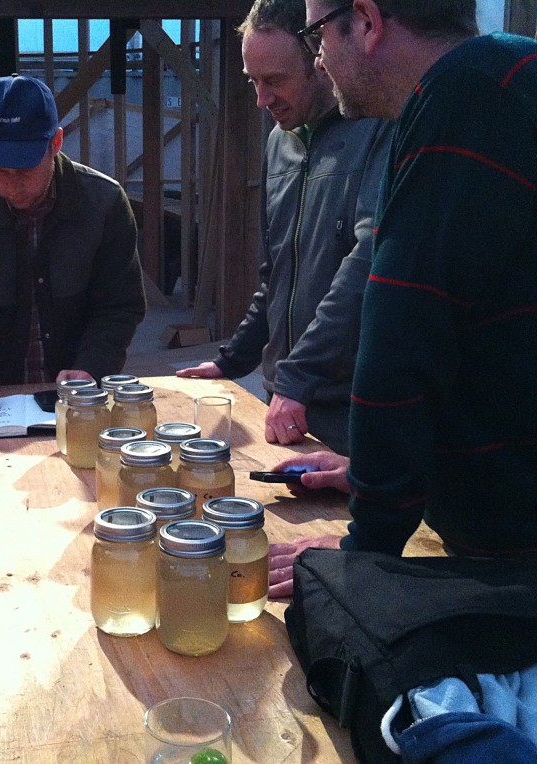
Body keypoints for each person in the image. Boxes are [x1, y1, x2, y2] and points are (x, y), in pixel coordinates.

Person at [266, 0, 537, 598]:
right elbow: (493, 343)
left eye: (315, 32)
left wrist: (364, 553)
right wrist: (377, 477)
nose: (317, 57)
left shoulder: (467, 94)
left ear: (368, 22)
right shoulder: (506, 75)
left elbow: (403, 341)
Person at [177, 0, 392, 456]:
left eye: (274, 80)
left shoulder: (377, 131)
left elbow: (368, 265)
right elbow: (275, 274)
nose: (261, 98)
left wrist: (298, 376)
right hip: (285, 400)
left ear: (319, 58)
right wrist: (232, 360)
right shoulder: (280, 143)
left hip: (351, 405)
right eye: (252, 81)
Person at [0, 74, 146, 410]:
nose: (11, 185)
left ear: (56, 143)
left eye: (23, 170)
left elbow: (118, 307)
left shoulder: (105, 204)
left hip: (78, 400)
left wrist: (92, 367)